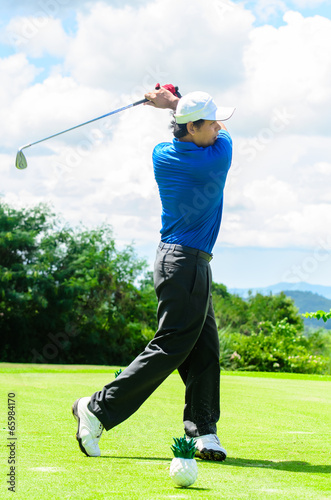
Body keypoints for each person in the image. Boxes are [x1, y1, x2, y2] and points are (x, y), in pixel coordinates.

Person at [72, 85, 235, 461]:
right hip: (186, 264)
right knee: (171, 347)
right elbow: (224, 138)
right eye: (211, 123)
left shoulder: (162, 154)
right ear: (193, 128)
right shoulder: (216, 158)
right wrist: (173, 101)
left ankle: (203, 431)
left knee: (205, 349)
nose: (218, 127)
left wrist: (173, 106)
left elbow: (190, 130)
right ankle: (96, 409)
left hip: (176, 261)